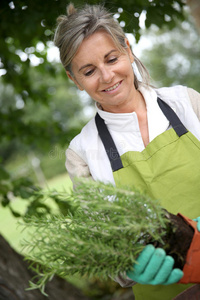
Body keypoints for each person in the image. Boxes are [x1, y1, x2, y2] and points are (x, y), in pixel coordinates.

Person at [54, 3, 200, 300]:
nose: (107, 76)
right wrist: (128, 265)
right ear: (75, 80)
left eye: (111, 59)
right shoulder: (82, 153)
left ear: (128, 50)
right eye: (89, 70)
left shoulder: (186, 104)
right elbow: (108, 248)